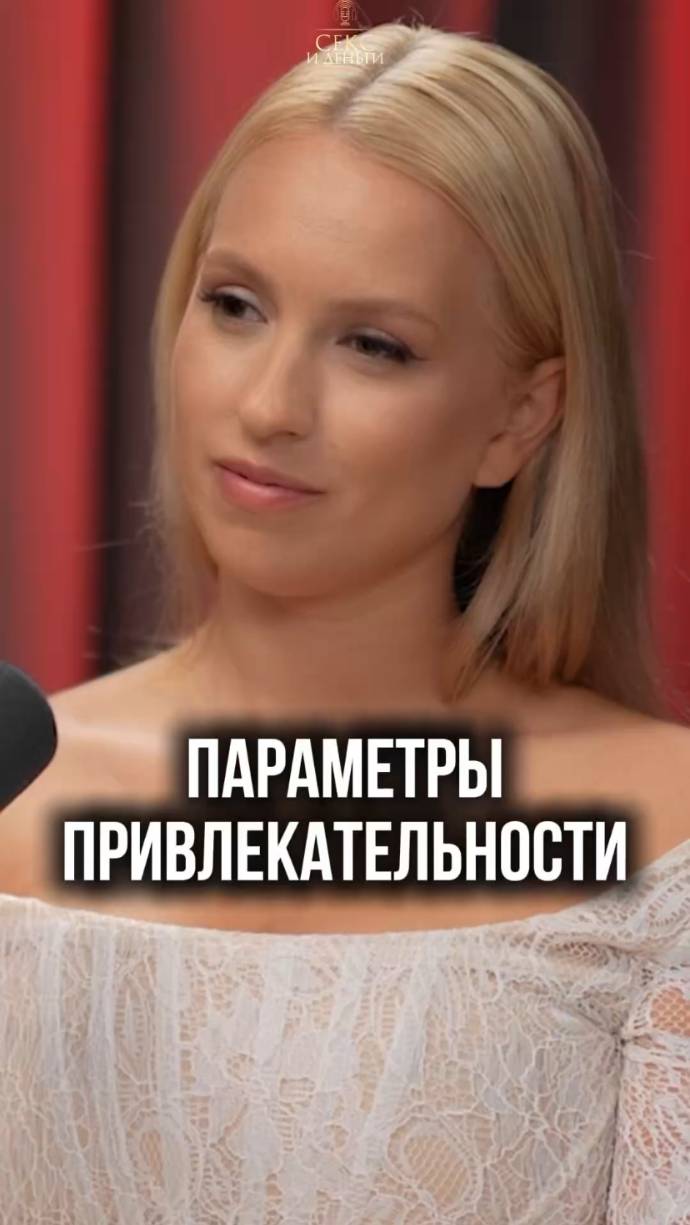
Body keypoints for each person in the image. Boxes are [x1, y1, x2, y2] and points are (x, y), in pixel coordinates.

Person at [0, 20, 688, 1222]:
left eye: (374, 345)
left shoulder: (665, 847)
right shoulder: (18, 793)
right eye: (235, 305)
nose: (270, 404)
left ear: (519, 418)